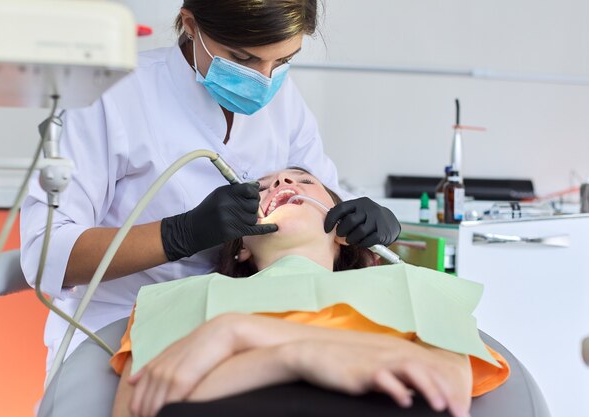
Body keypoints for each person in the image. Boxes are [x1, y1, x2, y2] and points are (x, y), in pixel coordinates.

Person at [20, 0, 401, 375]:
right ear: (189, 23)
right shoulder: (110, 97)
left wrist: (367, 219)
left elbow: (326, 194)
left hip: (255, 320)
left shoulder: (286, 101)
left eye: (283, 62)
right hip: (122, 324)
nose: (265, 81)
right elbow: (44, 255)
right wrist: (180, 234)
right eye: (244, 59)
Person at [110, 169, 510, 417]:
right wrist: (293, 358)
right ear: (241, 244)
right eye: (260, 188)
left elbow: (448, 393)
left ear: (343, 230)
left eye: (304, 182)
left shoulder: (412, 283)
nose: (284, 183)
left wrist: (240, 335)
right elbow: (140, 409)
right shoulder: (178, 297)